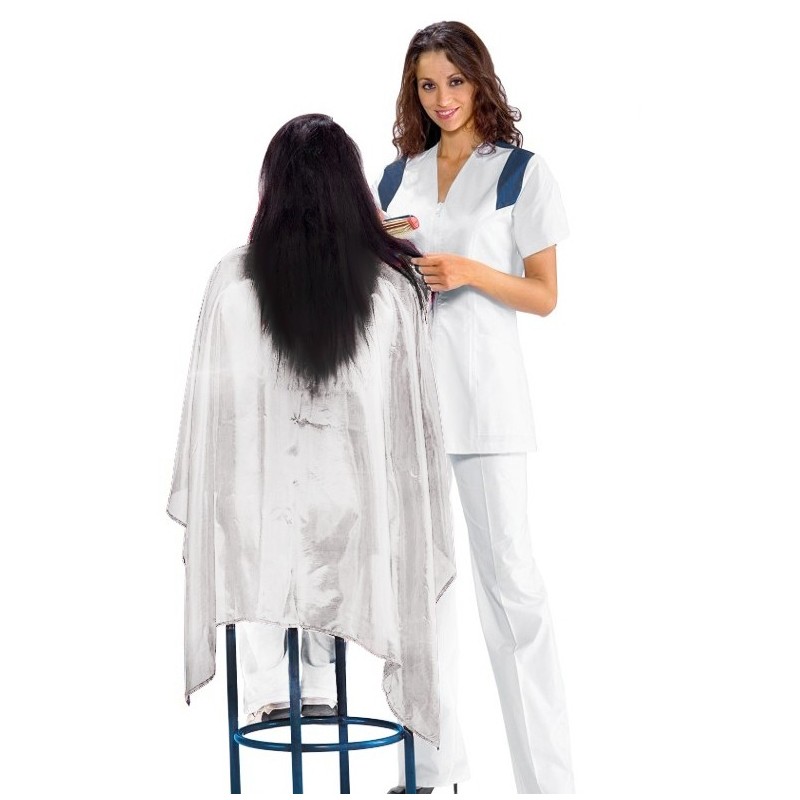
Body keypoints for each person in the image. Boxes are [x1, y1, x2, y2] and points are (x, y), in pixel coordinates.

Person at [167, 113, 455, 750]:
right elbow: (408, 421)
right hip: (355, 507)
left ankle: (272, 682)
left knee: (257, 521)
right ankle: (322, 677)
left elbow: (213, 415)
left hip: (258, 507)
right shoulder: (390, 288)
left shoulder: (233, 281)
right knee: (338, 518)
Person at [373, 22, 575, 794]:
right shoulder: (396, 180)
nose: (443, 98)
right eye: (427, 85)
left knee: (513, 589)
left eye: (454, 81)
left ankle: (546, 784)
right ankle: (433, 772)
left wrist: (469, 272)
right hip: (411, 405)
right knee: (422, 591)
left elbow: (544, 295)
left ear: (478, 80)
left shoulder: (520, 172)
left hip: (488, 404)